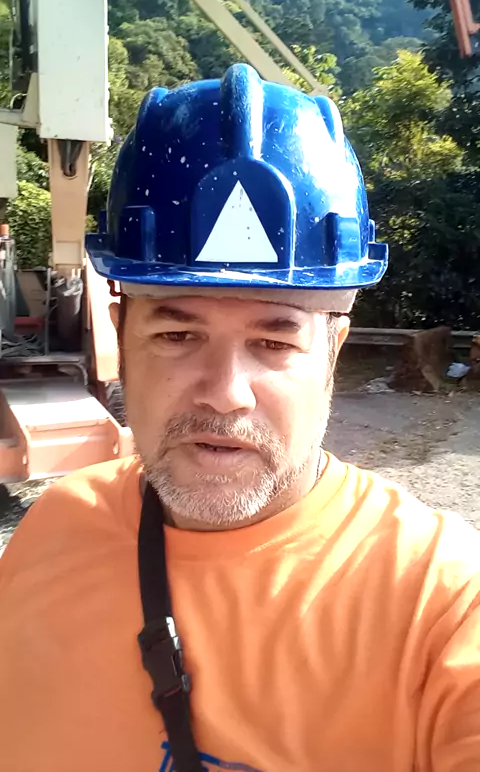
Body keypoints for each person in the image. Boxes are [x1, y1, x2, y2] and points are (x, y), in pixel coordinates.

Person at [0, 64, 479, 772]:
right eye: (177, 334)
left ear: (332, 350)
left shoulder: (443, 603)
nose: (225, 394)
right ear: (119, 339)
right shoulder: (53, 531)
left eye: (274, 341)